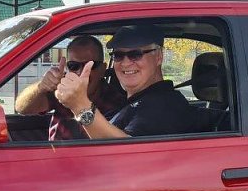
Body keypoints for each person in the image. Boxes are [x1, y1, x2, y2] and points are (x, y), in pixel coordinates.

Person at [54, 24, 201, 139]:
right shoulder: (135, 102)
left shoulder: (164, 105)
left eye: (135, 54)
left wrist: (81, 106)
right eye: (118, 55)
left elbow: (124, 152)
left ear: (159, 57)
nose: (125, 63)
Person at [15, 36, 125, 140]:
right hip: (56, 153)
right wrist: (41, 87)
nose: (81, 72)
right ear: (68, 68)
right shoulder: (61, 88)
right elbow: (22, 108)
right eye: (74, 66)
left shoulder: (116, 101)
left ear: (102, 69)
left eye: (90, 65)